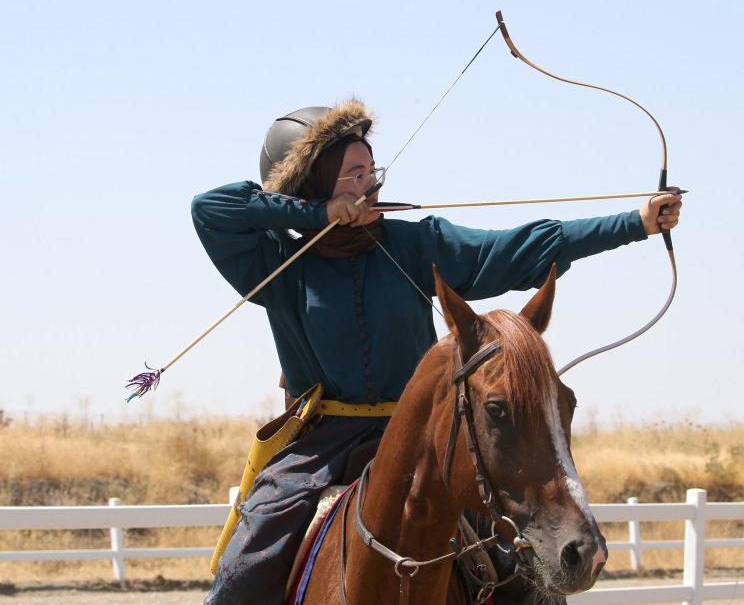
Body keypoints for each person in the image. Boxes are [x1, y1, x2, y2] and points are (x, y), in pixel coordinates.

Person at [193, 99, 682, 605]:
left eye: (371, 171)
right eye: (353, 176)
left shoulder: (414, 244)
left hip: (428, 441)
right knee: (243, 572)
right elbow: (210, 208)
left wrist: (635, 223)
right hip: (321, 447)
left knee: (524, 580)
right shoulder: (279, 264)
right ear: (313, 187)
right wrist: (315, 216)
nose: (370, 186)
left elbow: (514, 249)